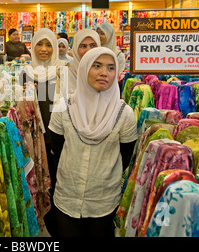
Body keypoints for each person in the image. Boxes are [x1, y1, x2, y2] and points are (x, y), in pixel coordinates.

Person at [49, 47, 137, 237]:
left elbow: (126, 155)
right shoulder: (63, 108)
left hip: (104, 201)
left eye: (111, 68)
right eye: (97, 66)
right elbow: (56, 150)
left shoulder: (125, 114)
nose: (104, 73)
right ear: (84, 68)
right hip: (67, 197)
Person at [19, 27, 67, 236]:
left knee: (58, 180)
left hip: (59, 136)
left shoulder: (62, 70)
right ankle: (44, 224)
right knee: (39, 182)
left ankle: (59, 224)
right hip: (36, 140)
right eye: (40, 44)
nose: (44, 49)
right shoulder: (25, 72)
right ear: (32, 46)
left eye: (49, 45)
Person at [68, 29, 100, 94]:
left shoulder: (105, 69)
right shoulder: (68, 71)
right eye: (83, 46)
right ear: (76, 49)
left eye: (93, 46)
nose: (88, 50)